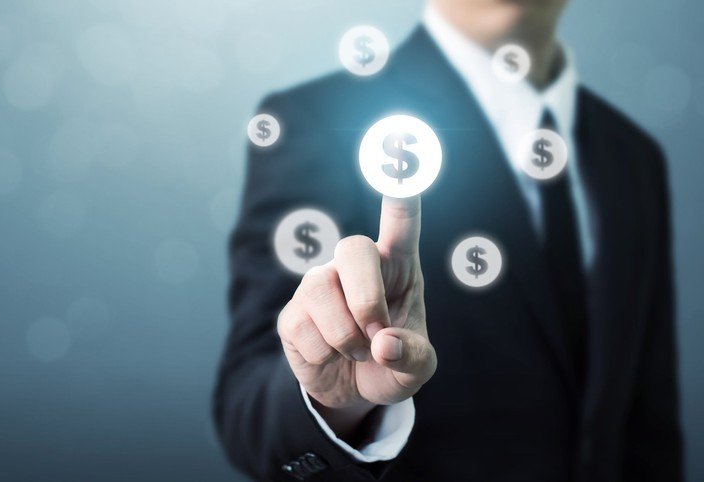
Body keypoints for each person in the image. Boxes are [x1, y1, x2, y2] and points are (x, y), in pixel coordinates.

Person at [214, 0, 682, 480]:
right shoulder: (316, 121)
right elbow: (249, 413)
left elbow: (648, 423)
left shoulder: (633, 158)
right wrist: (332, 401)